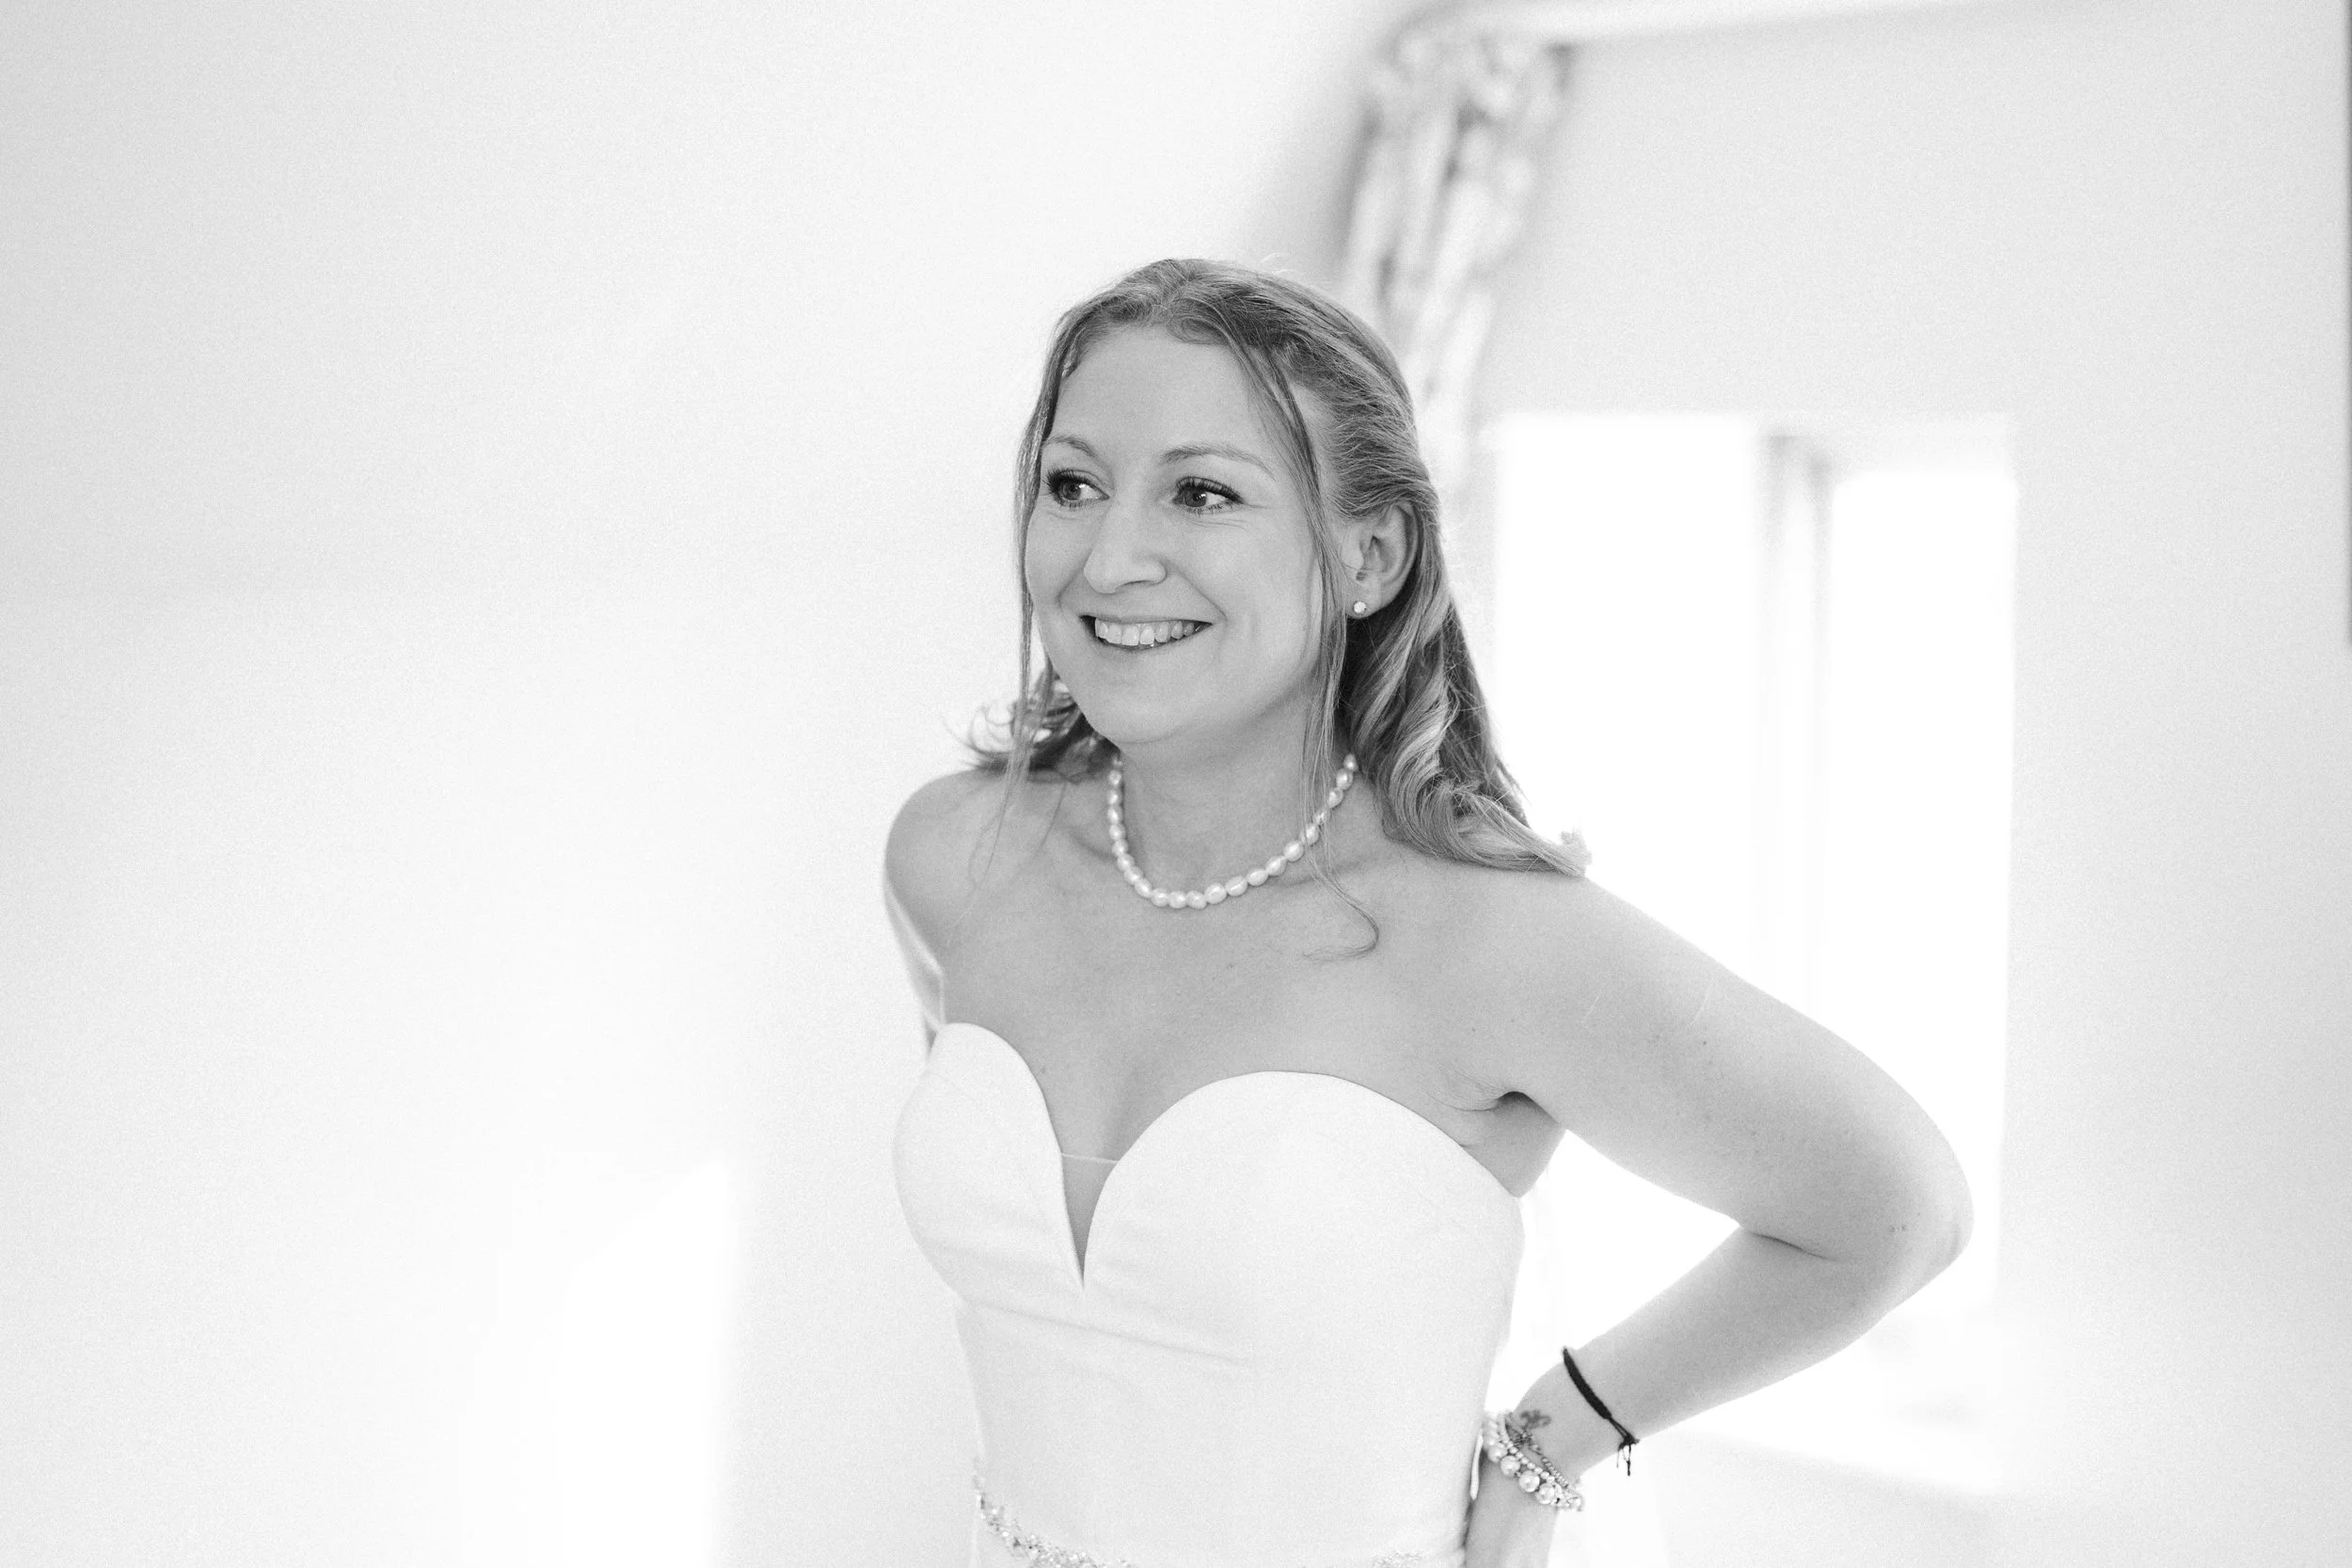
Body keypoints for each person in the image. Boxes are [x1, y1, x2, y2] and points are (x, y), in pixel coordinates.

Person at [884, 257, 1971, 1568]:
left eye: (1202, 491)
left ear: (1371, 553)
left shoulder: (1485, 937)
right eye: (1073, 485)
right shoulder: (955, 855)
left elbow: (1895, 1207)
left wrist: (1555, 1437)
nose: (1111, 556)